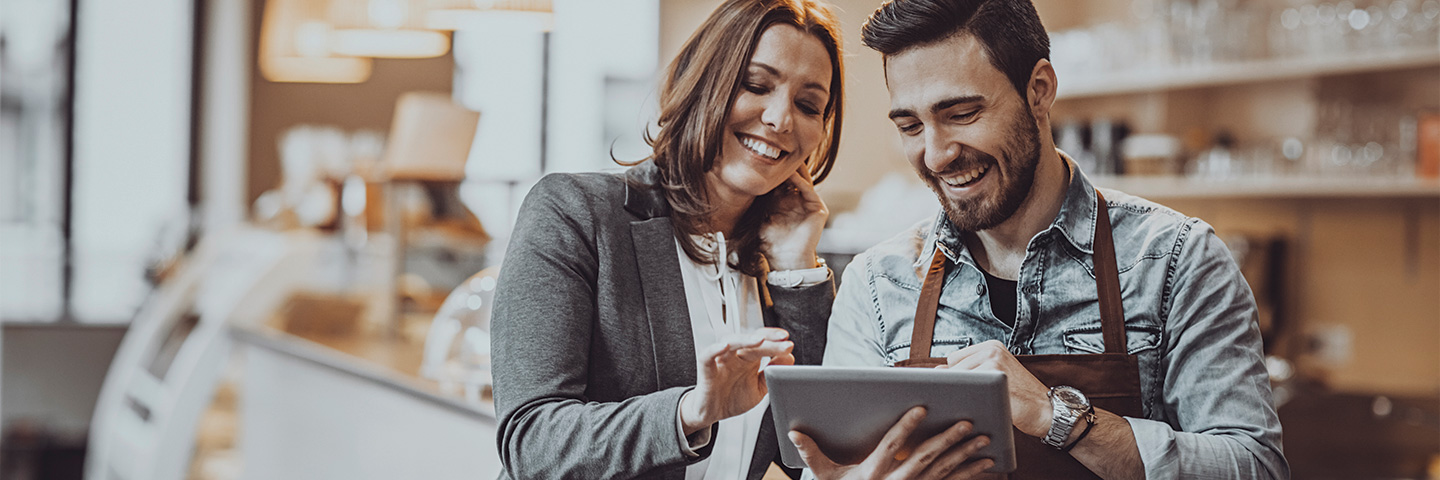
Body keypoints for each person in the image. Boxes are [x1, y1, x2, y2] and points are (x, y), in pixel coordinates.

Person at [491, 1, 991, 478]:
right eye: (755, 85)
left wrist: (797, 268)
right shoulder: (575, 213)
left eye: (808, 104)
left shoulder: (788, 265)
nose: (779, 119)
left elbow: (814, 455)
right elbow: (530, 442)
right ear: (701, 82)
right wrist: (692, 410)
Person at [816, 0, 1289, 479]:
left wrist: (1056, 416)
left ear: (1039, 90)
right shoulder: (876, 284)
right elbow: (836, 468)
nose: (936, 155)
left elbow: (1255, 468)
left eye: (961, 113)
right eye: (911, 126)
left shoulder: (1177, 260)